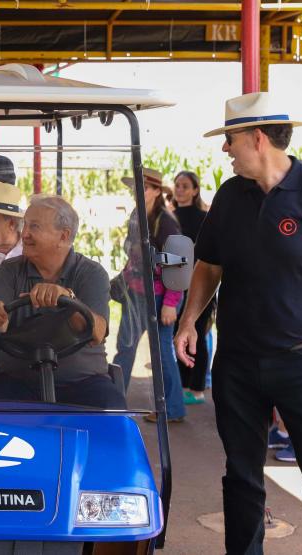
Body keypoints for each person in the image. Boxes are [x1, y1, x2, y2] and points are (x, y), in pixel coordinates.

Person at [175, 92, 302, 555]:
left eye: (230, 139)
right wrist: (189, 320)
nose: (225, 149)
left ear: (257, 138)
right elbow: (208, 265)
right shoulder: (229, 196)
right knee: (241, 476)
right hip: (238, 363)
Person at [0, 195, 122, 409]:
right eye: (24, 225)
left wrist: (66, 299)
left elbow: (98, 332)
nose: (24, 234)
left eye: (34, 227)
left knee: (114, 417)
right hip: (19, 382)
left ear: (63, 236)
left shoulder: (92, 273)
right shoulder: (9, 271)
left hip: (83, 383)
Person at [112, 168, 186, 423]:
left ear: (156, 191)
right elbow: (134, 257)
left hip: (158, 296)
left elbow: (178, 264)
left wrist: (170, 304)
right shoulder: (138, 215)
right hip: (136, 293)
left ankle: (172, 408)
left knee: (162, 353)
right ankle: (113, 401)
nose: (136, 192)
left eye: (142, 188)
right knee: (126, 348)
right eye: (135, 188)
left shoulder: (165, 222)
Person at [172, 170, 212, 405]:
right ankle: (183, 385)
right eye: (177, 185)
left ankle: (197, 388)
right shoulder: (169, 216)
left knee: (198, 333)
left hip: (200, 283)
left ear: (195, 190)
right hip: (175, 284)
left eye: (185, 186)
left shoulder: (205, 217)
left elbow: (206, 254)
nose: (180, 189)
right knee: (179, 334)